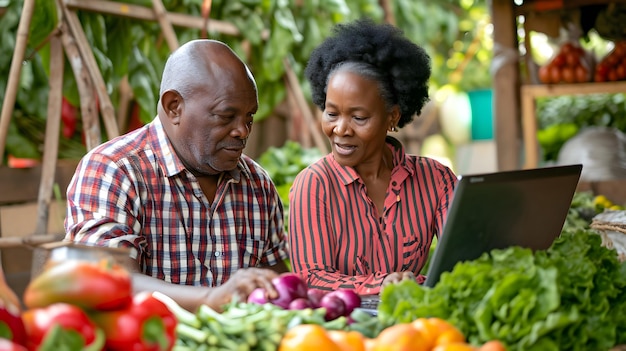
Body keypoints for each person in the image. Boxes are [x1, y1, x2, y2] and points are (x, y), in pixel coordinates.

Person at [64, 39, 289, 312]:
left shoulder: (257, 185)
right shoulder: (114, 170)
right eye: (225, 116)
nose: (242, 130)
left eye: (249, 117)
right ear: (174, 107)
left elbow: (277, 284)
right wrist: (211, 299)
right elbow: (109, 281)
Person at [288, 18, 458, 296]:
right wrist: (383, 284)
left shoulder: (436, 180)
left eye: (358, 117)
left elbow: (463, 259)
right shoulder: (314, 185)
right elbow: (312, 278)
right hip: (344, 329)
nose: (340, 129)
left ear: (392, 116)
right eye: (332, 114)